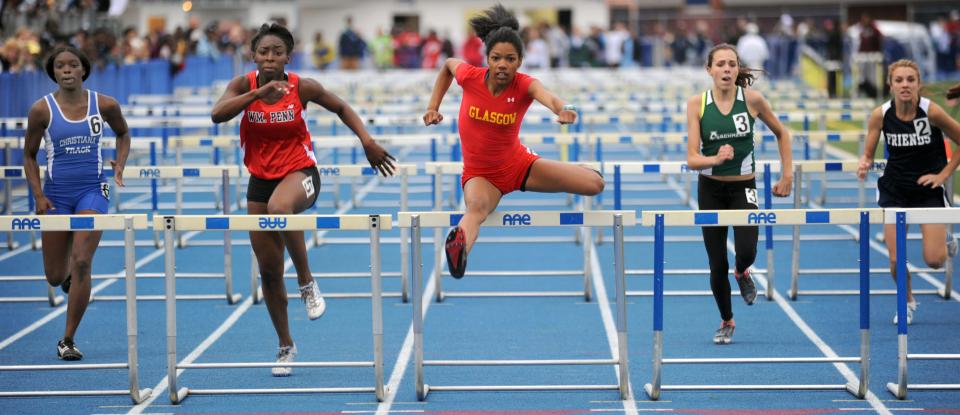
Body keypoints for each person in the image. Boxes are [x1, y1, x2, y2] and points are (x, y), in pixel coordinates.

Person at [211, 23, 396, 376]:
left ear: (287, 57)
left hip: (302, 175)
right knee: (267, 269)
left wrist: (367, 142)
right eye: (263, 52)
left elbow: (341, 108)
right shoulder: (242, 86)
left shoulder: (302, 87)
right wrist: (256, 94)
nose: (269, 58)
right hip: (260, 182)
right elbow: (217, 115)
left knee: (281, 209)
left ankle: (306, 281)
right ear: (253, 56)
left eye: (276, 52)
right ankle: (285, 345)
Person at [422, 4, 604, 279]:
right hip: (482, 176)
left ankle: (580, 169)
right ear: (488, 59)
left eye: (510, 59)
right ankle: (459, 249)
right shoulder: (470, 77)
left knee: (595, 184)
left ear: (519, 61)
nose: (503, 65)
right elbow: (448, 66)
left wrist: (563, 108)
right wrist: (433, 106)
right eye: (496, 58)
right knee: (477, 209)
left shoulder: (524, 84)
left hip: (519, 166)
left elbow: (551, 98)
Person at [22, 46, 131, 361]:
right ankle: (69, 276)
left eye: (72, 65)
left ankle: (68, 338)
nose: (67, 70)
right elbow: (28, 155)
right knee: (55, 276)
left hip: (92, 190)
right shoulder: (41, 111)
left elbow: (123, 134)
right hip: (56, 195)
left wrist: (120, 164)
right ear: (53, 73)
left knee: (83, 259)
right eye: (60, 66)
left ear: (83, 70)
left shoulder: (105, 105)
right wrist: (39, 195)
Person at [685, 44, 793, 345]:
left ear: (738, 69)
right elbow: (692, 159)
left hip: (743, 187)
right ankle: (726, 319)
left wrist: (787, 175)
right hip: (710, 189)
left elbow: (783, 133)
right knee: (716, 263)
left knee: (748, 250)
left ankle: (743, 271)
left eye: (732, 64)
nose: (727, 69)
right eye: (720, 64)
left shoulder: (753, 100)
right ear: (709, 70)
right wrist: (714, 160)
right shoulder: (697, 104)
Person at [857, 59, 960, 325]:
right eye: (899, 80)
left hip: (927, 189)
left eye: (910, 80)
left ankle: (947, 237)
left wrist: (945, 174)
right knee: (894, 259)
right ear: (891, 85)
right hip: (895, 190)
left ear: (918, 84)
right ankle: (908, 301)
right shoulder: (880, 114)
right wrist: (864, 163)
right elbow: (868, 152)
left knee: (935, 261)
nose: (905, 85)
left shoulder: (931, 112)